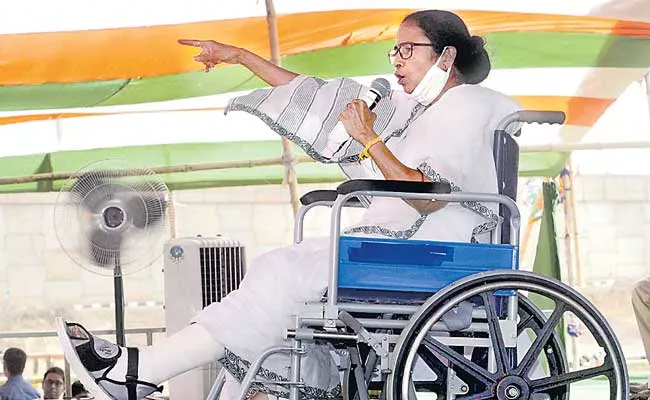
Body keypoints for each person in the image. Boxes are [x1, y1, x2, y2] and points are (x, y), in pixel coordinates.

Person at [56, 9, 520, 400]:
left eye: (406, 49)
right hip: (393, 250)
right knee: (281, 276)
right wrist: (242, 58)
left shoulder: (469, 105)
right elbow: (313, 97)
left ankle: (140, 372)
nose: (396, 61)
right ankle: (142, 373)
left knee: (281, 272)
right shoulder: (411, 107)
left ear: (446, 55)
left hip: (440, 251)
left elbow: (429, 199)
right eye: (393, 51)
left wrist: (369, 139)